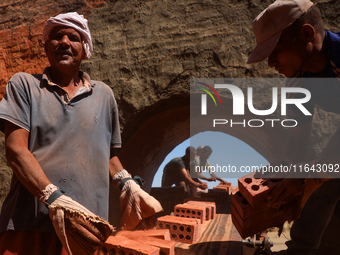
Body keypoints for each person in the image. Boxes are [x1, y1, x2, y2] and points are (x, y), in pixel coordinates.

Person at [0, 12, 162, 255]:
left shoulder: (104, 95)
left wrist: (128, 185)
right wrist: (55, 200)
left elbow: (106, 157)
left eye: (73, 37)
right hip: (29, 225)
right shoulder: (24, 86)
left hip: (85, 230)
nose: (64, 42)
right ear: (46, 46)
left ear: (85, 49)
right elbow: (15, 150)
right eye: (56, 36)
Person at [247, 0, 340, 254]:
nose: (270, 63)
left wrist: (306, 177)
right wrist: (278, 182)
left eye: (275, 51)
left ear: (306, 34)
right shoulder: (298, 83)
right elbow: (298, 143)